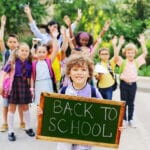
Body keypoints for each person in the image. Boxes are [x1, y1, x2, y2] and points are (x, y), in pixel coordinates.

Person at [57, 54, 103, 150]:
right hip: (65, 134)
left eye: (83, 70)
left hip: (84, 137)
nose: (79, 73)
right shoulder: (63, 91)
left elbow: (105, 114)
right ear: (69, 73)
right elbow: (54, 111)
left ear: (89, 74)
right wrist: (42, 112)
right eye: (75, 69)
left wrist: (115, 126)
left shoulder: (94, 92)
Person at [0, 43, 35, 141]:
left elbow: (31, 77)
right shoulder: (13, 61)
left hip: (25, 86)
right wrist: (1, 85)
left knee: (25, 107)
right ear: (18, 51)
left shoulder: (29, 63)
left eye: (26, 51)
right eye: (22, 50)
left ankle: (28, 127)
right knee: (12, 108)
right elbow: (4, 73)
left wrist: (31, 88)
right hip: (14, 86)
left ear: (29, 52)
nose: (24, 52)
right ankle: (11, 131)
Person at [113, 34, 148, 128]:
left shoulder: (137, 61)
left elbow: (145, 53)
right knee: (123, 102)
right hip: (124, 84)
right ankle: (123, 119)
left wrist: (142, 42)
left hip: (133, 85)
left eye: (132, 52)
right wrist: (119, 44)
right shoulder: (122, 62)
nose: (130, 54)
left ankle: (130, 119)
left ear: (134, 53)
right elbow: (116, 56)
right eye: (128, 52)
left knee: (131, 103)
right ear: (125, 53)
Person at [0, 15, 25, 132]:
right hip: (6, 80)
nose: (12, 43)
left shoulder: (21, 53)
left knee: (20, 102)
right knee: (5, 103)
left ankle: (22, 121)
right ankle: (4, 123)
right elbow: (0, 40)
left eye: (14, 42)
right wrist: (3, 25)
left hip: (17, 80)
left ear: (17, 43)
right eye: (10, 41)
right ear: (7, 42)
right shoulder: (5, 52)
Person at [31, 34, 59, 105]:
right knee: (39, 102)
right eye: (39, 52)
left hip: (48, 83)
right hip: (38, 84)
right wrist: (31, 88)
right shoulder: (34, 63)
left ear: (47, 53)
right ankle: (40, 115)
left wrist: (54, 37)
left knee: (48, 101)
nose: (41, 54)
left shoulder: (49, 61)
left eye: (43, 52)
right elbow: (31, 77)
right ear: (36, 53)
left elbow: (55, 50)